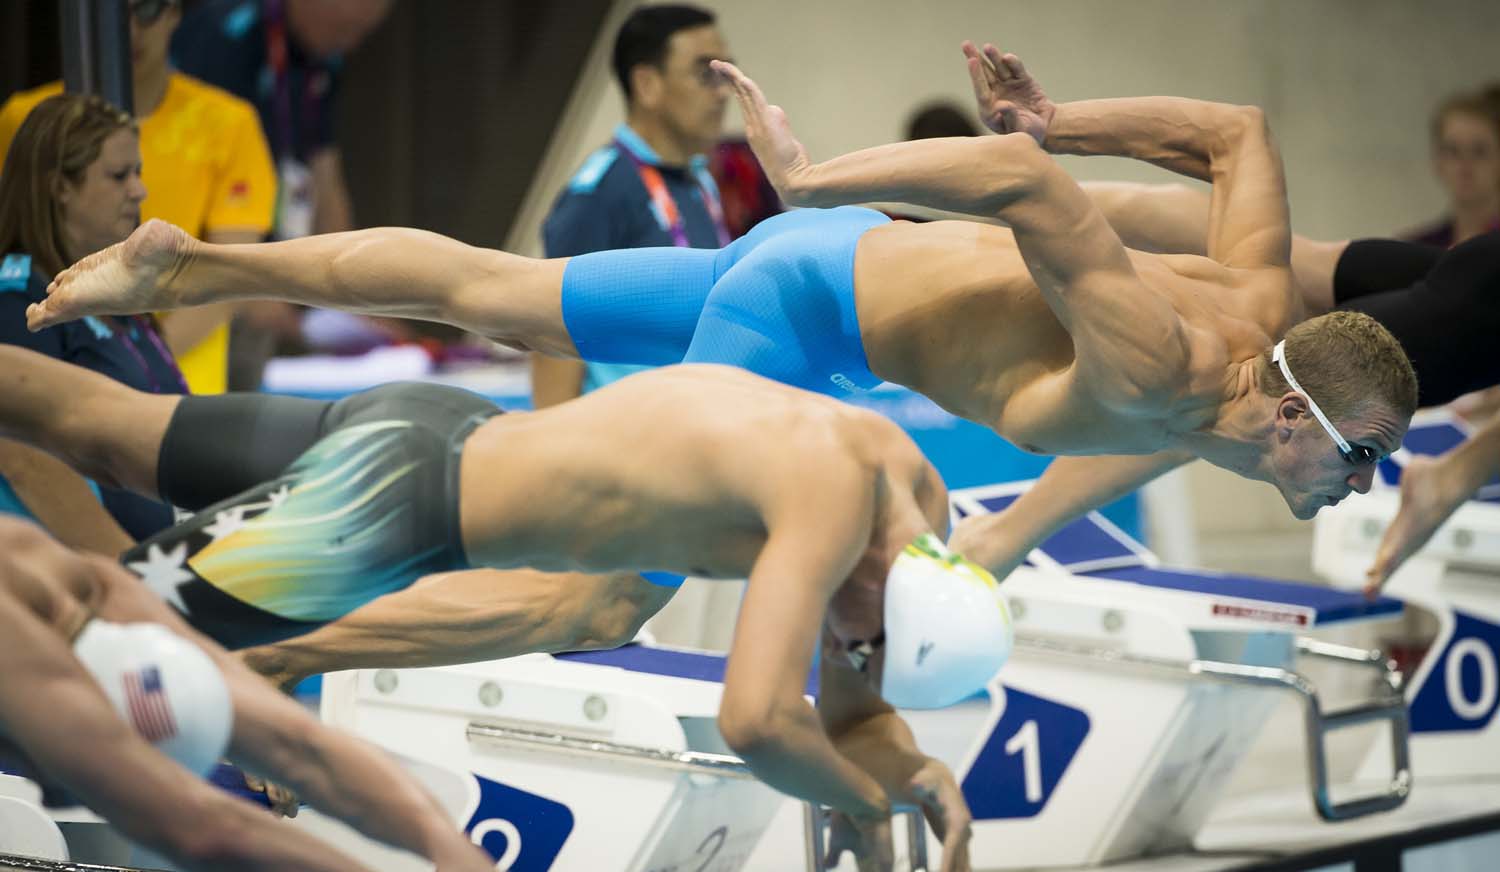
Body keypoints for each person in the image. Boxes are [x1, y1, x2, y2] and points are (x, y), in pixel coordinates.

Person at [28, 43, 1419, 529]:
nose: (1358, 489)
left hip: (812, 286)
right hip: (800, 301)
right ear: (1299, 421)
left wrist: (1059, 117)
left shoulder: (1255, 320)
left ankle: (192, 260)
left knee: (494, 291)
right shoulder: (1172, 364)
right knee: (613, 575)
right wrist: (815, 179)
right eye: (1361, 466)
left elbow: (1238, 132)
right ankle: (263, 616)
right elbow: (1031, 193)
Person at [0, 346, 991, 866]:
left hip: (426, 425)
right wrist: (866, 795)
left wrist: (917, 771)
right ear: (897, 589)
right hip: (383, 509)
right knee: (76, 647)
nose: (843, 645)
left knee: (100, 428)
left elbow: (854, 712)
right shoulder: (830, 499)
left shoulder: (910, 501)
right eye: (860, 637)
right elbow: (760, 719)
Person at [942, 180, 1499, 586]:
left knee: (1279, 276)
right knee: (1228, 398)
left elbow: (1233, 130)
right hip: (1483, 307)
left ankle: (1020, 200)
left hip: (1480, 276)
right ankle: (1006, 533)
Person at [0, 517, 496, 872]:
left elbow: (297, 747)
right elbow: (201, 831)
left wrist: (447, 844)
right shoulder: (47, 599)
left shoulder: (73, 580)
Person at [0, 0, 278, 395]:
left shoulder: (228, 124)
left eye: (145, 10)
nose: (128, 29)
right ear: (58, 186)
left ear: (175, 12)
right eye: (117, 175)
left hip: (172, 386)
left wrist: (139, 365)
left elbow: (230, 274)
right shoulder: (23, 120)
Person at [0, 94, 183, 548]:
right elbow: (25, 459)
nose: (139, 191)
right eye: (120, 175)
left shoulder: (120, 295)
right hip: (93, 585)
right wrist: (133, 575)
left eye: (138, 172)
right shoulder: (16, 299)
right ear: (60, 186)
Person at [531, 3, 734, 409]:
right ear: (647, 84)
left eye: (725, 71)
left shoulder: (699, 181)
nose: (723, 91)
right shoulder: (599, 193)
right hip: (623, 445)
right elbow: (550, 335)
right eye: (704, 73)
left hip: (693, 428)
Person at [1402, 85, 1500, 248]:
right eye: (1453, 151)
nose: (1465, 165)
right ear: (1437, 161)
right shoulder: (1416, 249)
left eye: (1479, 151)